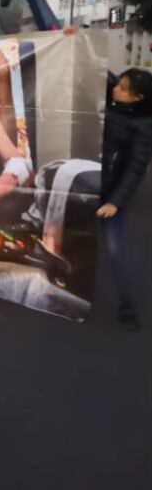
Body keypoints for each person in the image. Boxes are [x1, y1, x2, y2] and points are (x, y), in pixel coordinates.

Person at [96, 68, 152, 331]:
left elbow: (135, 169)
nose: (115, 88)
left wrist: (115, 202)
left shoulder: (144, 126)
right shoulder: (112, 99)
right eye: (118, 83)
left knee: (115, 249)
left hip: (110, 195)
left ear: (138, 97)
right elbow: (95, 67)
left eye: (123, 87)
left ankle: (126, 306)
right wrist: (72, 35)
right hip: (88, 185)